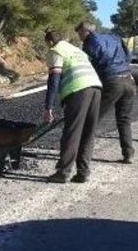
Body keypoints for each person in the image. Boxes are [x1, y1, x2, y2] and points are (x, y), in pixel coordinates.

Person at [41, 30, 103, 183]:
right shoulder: (76, 49)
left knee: (72, 132)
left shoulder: (55, 51)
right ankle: (83, 172)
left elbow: (54, 80)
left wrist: (48, 107)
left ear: (49, 42)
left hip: (79, 90)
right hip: (96, 88)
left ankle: (63, 172)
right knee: (88, 132)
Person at [76, 21, 137, 163]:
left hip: (112, 82)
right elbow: (128, 56)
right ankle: (128, 154)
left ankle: (83, 157)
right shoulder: (114, 37)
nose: (79, 36)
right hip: (129, 80)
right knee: (124, 119)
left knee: (92, 119)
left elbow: (89, 67)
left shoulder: (89, 44)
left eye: (79, 33)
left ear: (86, 32)